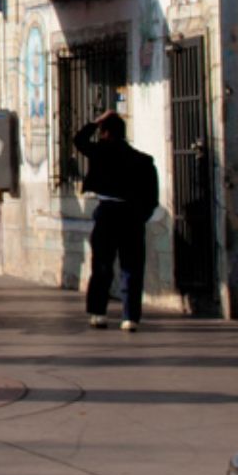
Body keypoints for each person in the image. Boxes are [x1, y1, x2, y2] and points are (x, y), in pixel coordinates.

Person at [75, 109, 159, 331]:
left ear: (104, 133)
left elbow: (79, 140)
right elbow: (152, 198)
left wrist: (95, 121)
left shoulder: (101, 152)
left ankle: (98, 313)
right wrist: (140, 217)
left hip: (107, 213)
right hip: (132, 215)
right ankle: (130, 317)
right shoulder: (143, 160)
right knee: (132, 266)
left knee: (102, 264)